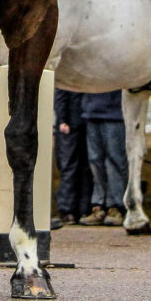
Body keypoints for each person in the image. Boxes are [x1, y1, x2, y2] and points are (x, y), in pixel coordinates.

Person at [79, 89, 128, 226]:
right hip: (91, 112)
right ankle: (98, 206)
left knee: (114, 161)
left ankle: (116, 207)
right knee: (95, 161)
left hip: (115, 113)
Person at [53, 87, 93, 225]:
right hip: (70, 125)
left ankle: (83, 208)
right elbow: (61, 96)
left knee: (85, 168)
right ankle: (67, 209)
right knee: (70, 167)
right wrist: (62, 120)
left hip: (84, 122)